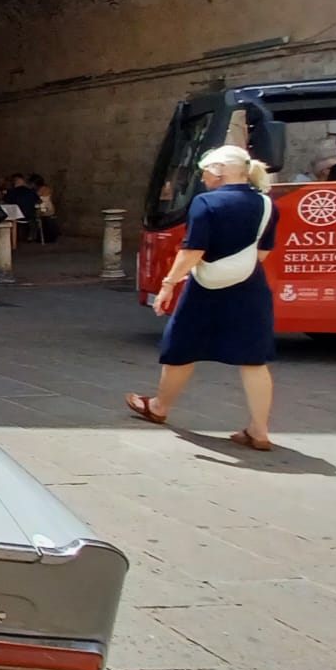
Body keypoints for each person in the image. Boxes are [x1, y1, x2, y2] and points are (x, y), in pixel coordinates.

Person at [126, 144, 280, 451]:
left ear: (220, 170)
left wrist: (169, 284)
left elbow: (192, 251)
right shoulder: (266, 203)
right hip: (249, 285)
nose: (204, 176)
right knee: (254, 359)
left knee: (180, 348)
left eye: (206, 169)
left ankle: (159, 406)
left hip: (205, 286)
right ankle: (259, 430)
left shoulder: (206, 203)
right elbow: (262, 252)